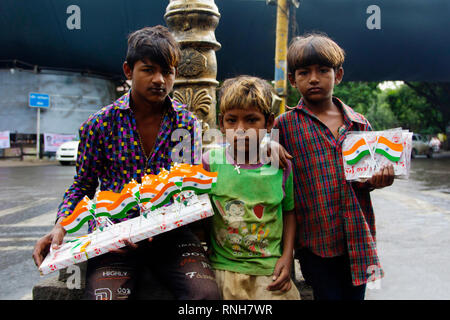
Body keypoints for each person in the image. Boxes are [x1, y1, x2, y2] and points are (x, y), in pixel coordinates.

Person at [32, 25, 221, 300]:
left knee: (205, 297)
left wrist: (163, 220)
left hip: (171, 236)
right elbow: (83, 184)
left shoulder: (186, 123)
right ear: (128, 71)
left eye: (167, 71)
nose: (159, 79)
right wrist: (61, 225)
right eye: (149, 69)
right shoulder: (99, 125)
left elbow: (187, 185)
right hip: (113, 237)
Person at [274, 33, 395, 300]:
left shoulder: (359, 124)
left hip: (357, 237)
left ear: (338, 75)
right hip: (314, 241)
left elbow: (363, 179)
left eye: (323, 70)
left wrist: (379, 179)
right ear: (293, 80)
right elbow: (260, 163)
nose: (314, 78)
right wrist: (266, 145)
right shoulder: (284, 125)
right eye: (304, 72)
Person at [202, 75, 301, 300]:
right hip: (224, 270)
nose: (240, 129)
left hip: (269, 272)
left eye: (251, 120)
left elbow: (289, 212)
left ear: (268, 123)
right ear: (221, 123)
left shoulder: (281, 165)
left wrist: (287, 257)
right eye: (231, 120)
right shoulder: (210, 162)